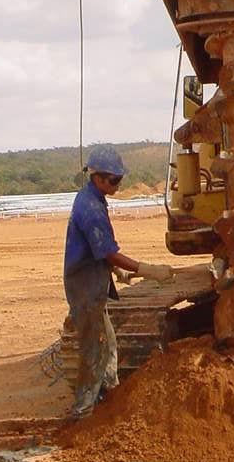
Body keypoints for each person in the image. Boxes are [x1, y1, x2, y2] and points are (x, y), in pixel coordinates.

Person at [63, 144, 174, 421]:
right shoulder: (91, 209)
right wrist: (145, 269)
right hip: (86, 287)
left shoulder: (93, 197)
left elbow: (98, 251)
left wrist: (114, 271)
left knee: (108, 344)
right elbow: (107, 250)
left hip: (91, 278)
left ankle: (108, 396)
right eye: (113, 180)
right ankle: (83, 412)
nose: (117, 184)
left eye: (119, 180)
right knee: (95, 349)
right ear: (97, 177)